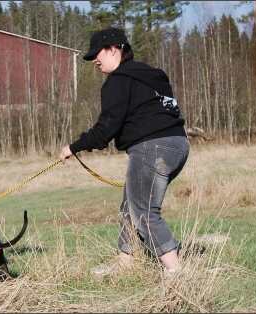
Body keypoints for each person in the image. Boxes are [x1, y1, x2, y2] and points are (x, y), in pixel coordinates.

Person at [59, 27, 189, 277]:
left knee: (144, 211)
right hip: (178, 145)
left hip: (151, 147)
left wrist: (73, 147)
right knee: (130, 208)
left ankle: (175, 271)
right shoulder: (151, 75)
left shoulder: (119, 80)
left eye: (97, 54)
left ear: (113, 49)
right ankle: (125, 265)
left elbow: (106, 128)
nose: (94, 60)